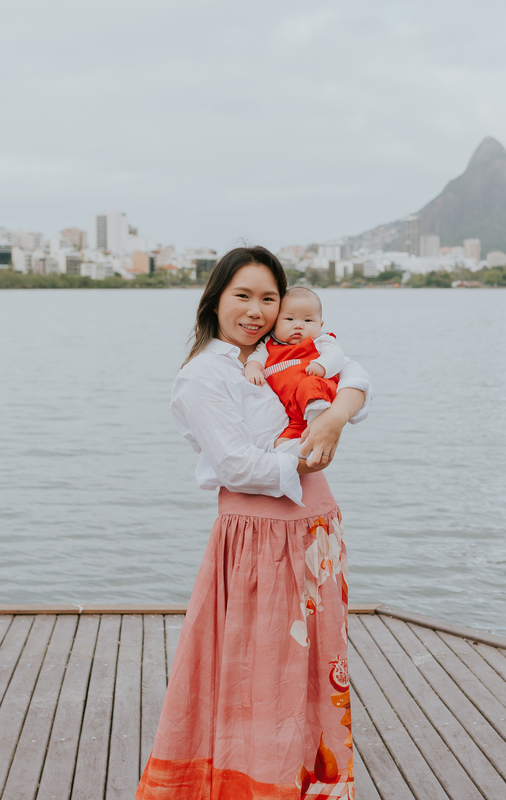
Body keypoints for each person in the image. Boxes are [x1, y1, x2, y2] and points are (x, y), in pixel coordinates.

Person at [137, 246, 371, 800]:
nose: (256, 310)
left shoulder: (287, 349)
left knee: (314, 673)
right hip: (260, 539)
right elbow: (237, 465)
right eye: (242, 295)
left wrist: (336, 417)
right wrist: (308, 453)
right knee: (260, 678)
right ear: (215, 300)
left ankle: (306, 787)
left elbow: (356, 378)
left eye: (269, 298)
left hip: (315, 533)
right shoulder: (203, 375)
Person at [243, 286, 346, 460]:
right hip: (292, 412)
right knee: (281, 443)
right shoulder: (268, 345)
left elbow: (337, 356)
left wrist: (322, 365)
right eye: (289, 319)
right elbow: (255, 359)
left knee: (309, 384)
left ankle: (317, 418)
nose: (298, 325)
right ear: (275, 324)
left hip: (318, 393)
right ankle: (301, 451)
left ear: (320, 325)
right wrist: (253, 369)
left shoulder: (321, 341)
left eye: (308, 321)